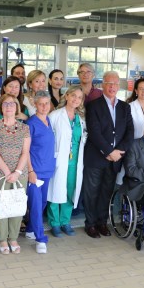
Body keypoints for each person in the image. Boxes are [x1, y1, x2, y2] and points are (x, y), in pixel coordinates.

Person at [83, 71, 134, 238]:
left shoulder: (125, 107)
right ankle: (90, 224)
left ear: (119, 86)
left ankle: (102, 222)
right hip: (96, 157)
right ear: (102, 85)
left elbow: (129, 132)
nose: (112, 87)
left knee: (106, 192)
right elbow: (94, 132)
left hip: (115, 159)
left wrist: (118, 153)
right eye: (108, 83)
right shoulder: (93, 105)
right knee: (92, 192)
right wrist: (108, 151)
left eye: (115, 84)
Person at [0, 94, 31, 254]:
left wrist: (17, 172)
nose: (9, 106)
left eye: (12, 103)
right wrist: (7, 172)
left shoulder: (25, 128)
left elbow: (25, 152)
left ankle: (13, 238)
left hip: (20, 173)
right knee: (2, 206)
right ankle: (3, 239)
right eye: (5, 104)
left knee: (17, 206)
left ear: (17, 107)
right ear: (1, 107)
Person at [47, 86, 86, 237]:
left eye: (79, 97)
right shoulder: (55, 115)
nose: (76, 99)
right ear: (67, 96)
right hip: (59, 161)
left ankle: (65, 221)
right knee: (56, 191)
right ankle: (55, 223)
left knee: (70, 192)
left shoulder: (80, 120)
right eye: (73, 96)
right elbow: (49, 140)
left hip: (75, 162)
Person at [25, 91, 55, 253]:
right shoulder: (31, 123)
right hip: (35, 171)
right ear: (35, 104)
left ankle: (30, 229)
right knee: (36, 205)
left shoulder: (48, 120)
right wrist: (30, 171)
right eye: (41, 103)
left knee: (42, 203)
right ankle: (40, 239)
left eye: (47, 103)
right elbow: (26, 150)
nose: (44, 107)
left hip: (47, 169)